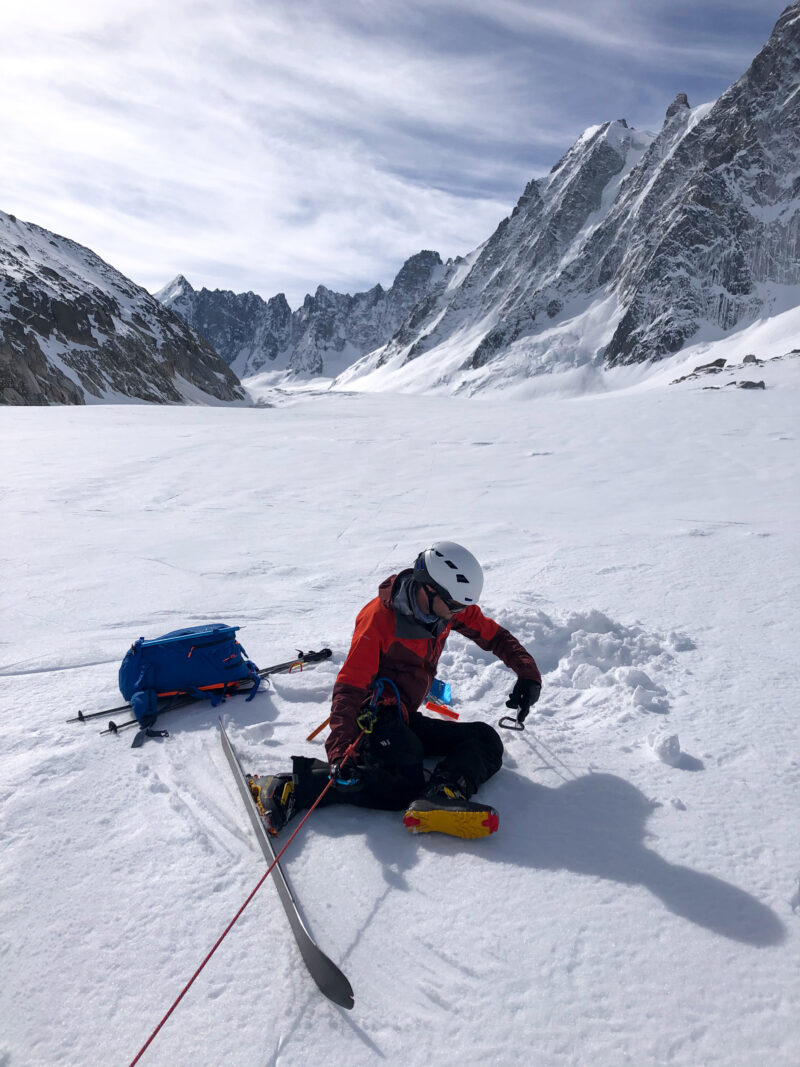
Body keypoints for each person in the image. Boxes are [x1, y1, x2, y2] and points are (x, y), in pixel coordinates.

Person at [249, 541, 542, 839]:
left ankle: (443, 794)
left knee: (484, 738)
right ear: (427, 589)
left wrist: (528, 675)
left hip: (401, 714)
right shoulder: (379, 620)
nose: (459, 613)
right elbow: (349, 687)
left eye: (462, 607)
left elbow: (496, 637)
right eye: (454, 606)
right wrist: (340, 752)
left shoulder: (446, 607)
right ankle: (291, 787)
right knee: (401, 783)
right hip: (370, 717)